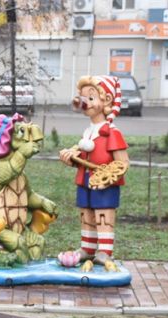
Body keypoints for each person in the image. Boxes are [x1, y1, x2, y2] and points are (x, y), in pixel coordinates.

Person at [58, 75, 128, 273]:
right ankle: (87, 248)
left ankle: (105, 251)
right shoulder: (88, 132)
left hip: (104, 183)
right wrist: (71, 157)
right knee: (86, 213)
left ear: (106, 100)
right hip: (85, 180)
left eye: (91, 97)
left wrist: (108, 175)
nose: (84, 102)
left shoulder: (111, 132)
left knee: (103, 215)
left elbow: (123, 162)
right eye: (83, 97)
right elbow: (83, 156)